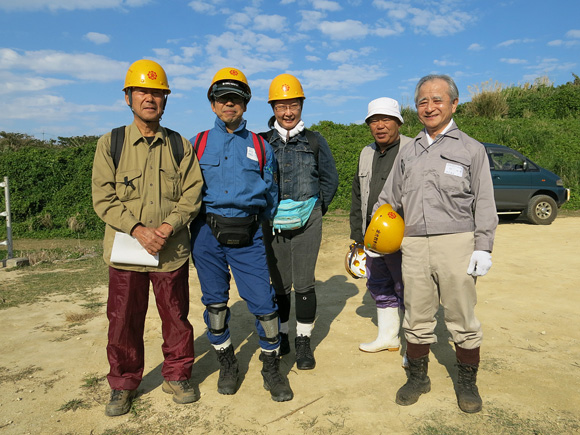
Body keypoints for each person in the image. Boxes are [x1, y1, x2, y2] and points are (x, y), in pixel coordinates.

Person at [374, 74, 498, 413]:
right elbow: (388, 198)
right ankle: (418, 378)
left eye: (437, 100)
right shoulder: (408, 151)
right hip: (413, 244)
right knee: (416, 314)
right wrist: (375, 233)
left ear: (454, 104)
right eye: (422, 102)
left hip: (457, 243)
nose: (429, 107)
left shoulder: (470, 149)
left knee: (461, 317)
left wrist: (483, 247)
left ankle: (467, 382)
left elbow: (484, 202)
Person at [92, 59, 203, 417]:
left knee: (175, 317)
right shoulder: (111, 143)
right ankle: (123, 383)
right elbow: (103, 197)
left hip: (170, 252)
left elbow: (192, 194)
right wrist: (139, 231)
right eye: (142, 91)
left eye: (157, 92)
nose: (150, 98)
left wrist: (167, 228)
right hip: (126, 252)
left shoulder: (179, 146)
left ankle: (178, 375)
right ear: (128, 97)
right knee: (122, 320)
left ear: (166, 100)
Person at [189, 67, 293, 402]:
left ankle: (271, 369)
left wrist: (257, 224)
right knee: (216, 306)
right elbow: (185, 192)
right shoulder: (198, 143)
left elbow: (272, 194)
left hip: (249, 235)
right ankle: (227, 364)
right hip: (207, 234)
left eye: (236, 99)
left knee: (265, 307)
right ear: (213, 104)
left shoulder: (262, 147)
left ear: (246, 104)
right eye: (222, 99)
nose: (229, 104)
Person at [261, 73, 339, 370]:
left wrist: (315, 210)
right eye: (281, 106)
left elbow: (329, 180)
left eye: (293, 104)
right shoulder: (262, 142)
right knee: (279, 284)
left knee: (304, 283)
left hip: (309, 222)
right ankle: (282, 337)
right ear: (273, 109)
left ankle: (304, 341)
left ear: (302, 105)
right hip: (273, 224)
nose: (288, 112)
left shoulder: (316, 141)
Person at [349, 97, 411, 354]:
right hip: (372, 237)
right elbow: (357, 194)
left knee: (409, 288)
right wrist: (357, 235)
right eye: (374, 121)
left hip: (404, 238)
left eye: (386, 119)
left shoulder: (414, 149)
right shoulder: (366, 153)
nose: (380, 126)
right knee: (380, 285)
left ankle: (413, 347)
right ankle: (388, 337)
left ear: (398, 122)